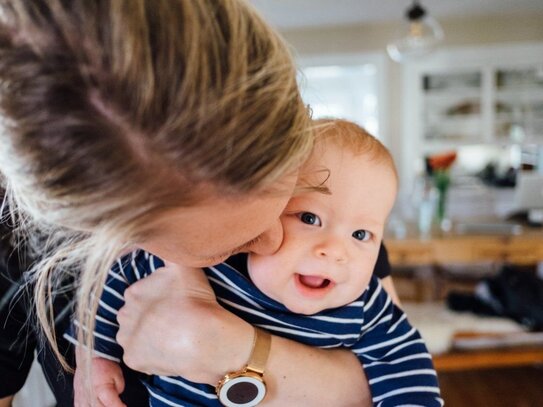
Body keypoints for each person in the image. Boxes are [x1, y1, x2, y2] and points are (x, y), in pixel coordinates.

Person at [0, 1, 395, 406]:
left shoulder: (335, 215)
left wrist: (231, 350)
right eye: (233, 245)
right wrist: (93, 347)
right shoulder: (15, 247)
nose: (277, 238)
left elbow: (388, 372)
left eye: (291, 201)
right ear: (108, 234)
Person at [71, 119, 442, 406]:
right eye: (309, 219)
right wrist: (95, 357)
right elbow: (117, 278)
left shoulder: (365, 304)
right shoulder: (212, 260)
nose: (335, 249)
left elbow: (405, 363)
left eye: (361, 235)